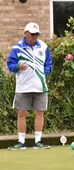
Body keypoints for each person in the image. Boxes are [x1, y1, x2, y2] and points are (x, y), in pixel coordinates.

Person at [6, 22, 52, 150]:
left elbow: (48, 63)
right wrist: (17, 67)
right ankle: (21, 142)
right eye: (32, 34)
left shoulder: (43, 47)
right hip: (23, 86)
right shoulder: (17, 48)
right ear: (25, 33)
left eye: (37, 34)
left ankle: (38, 141)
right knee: (21, 113)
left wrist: (45, 71)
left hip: (40, 86)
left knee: (40, 113)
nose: (34, 36)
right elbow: (10, 65)